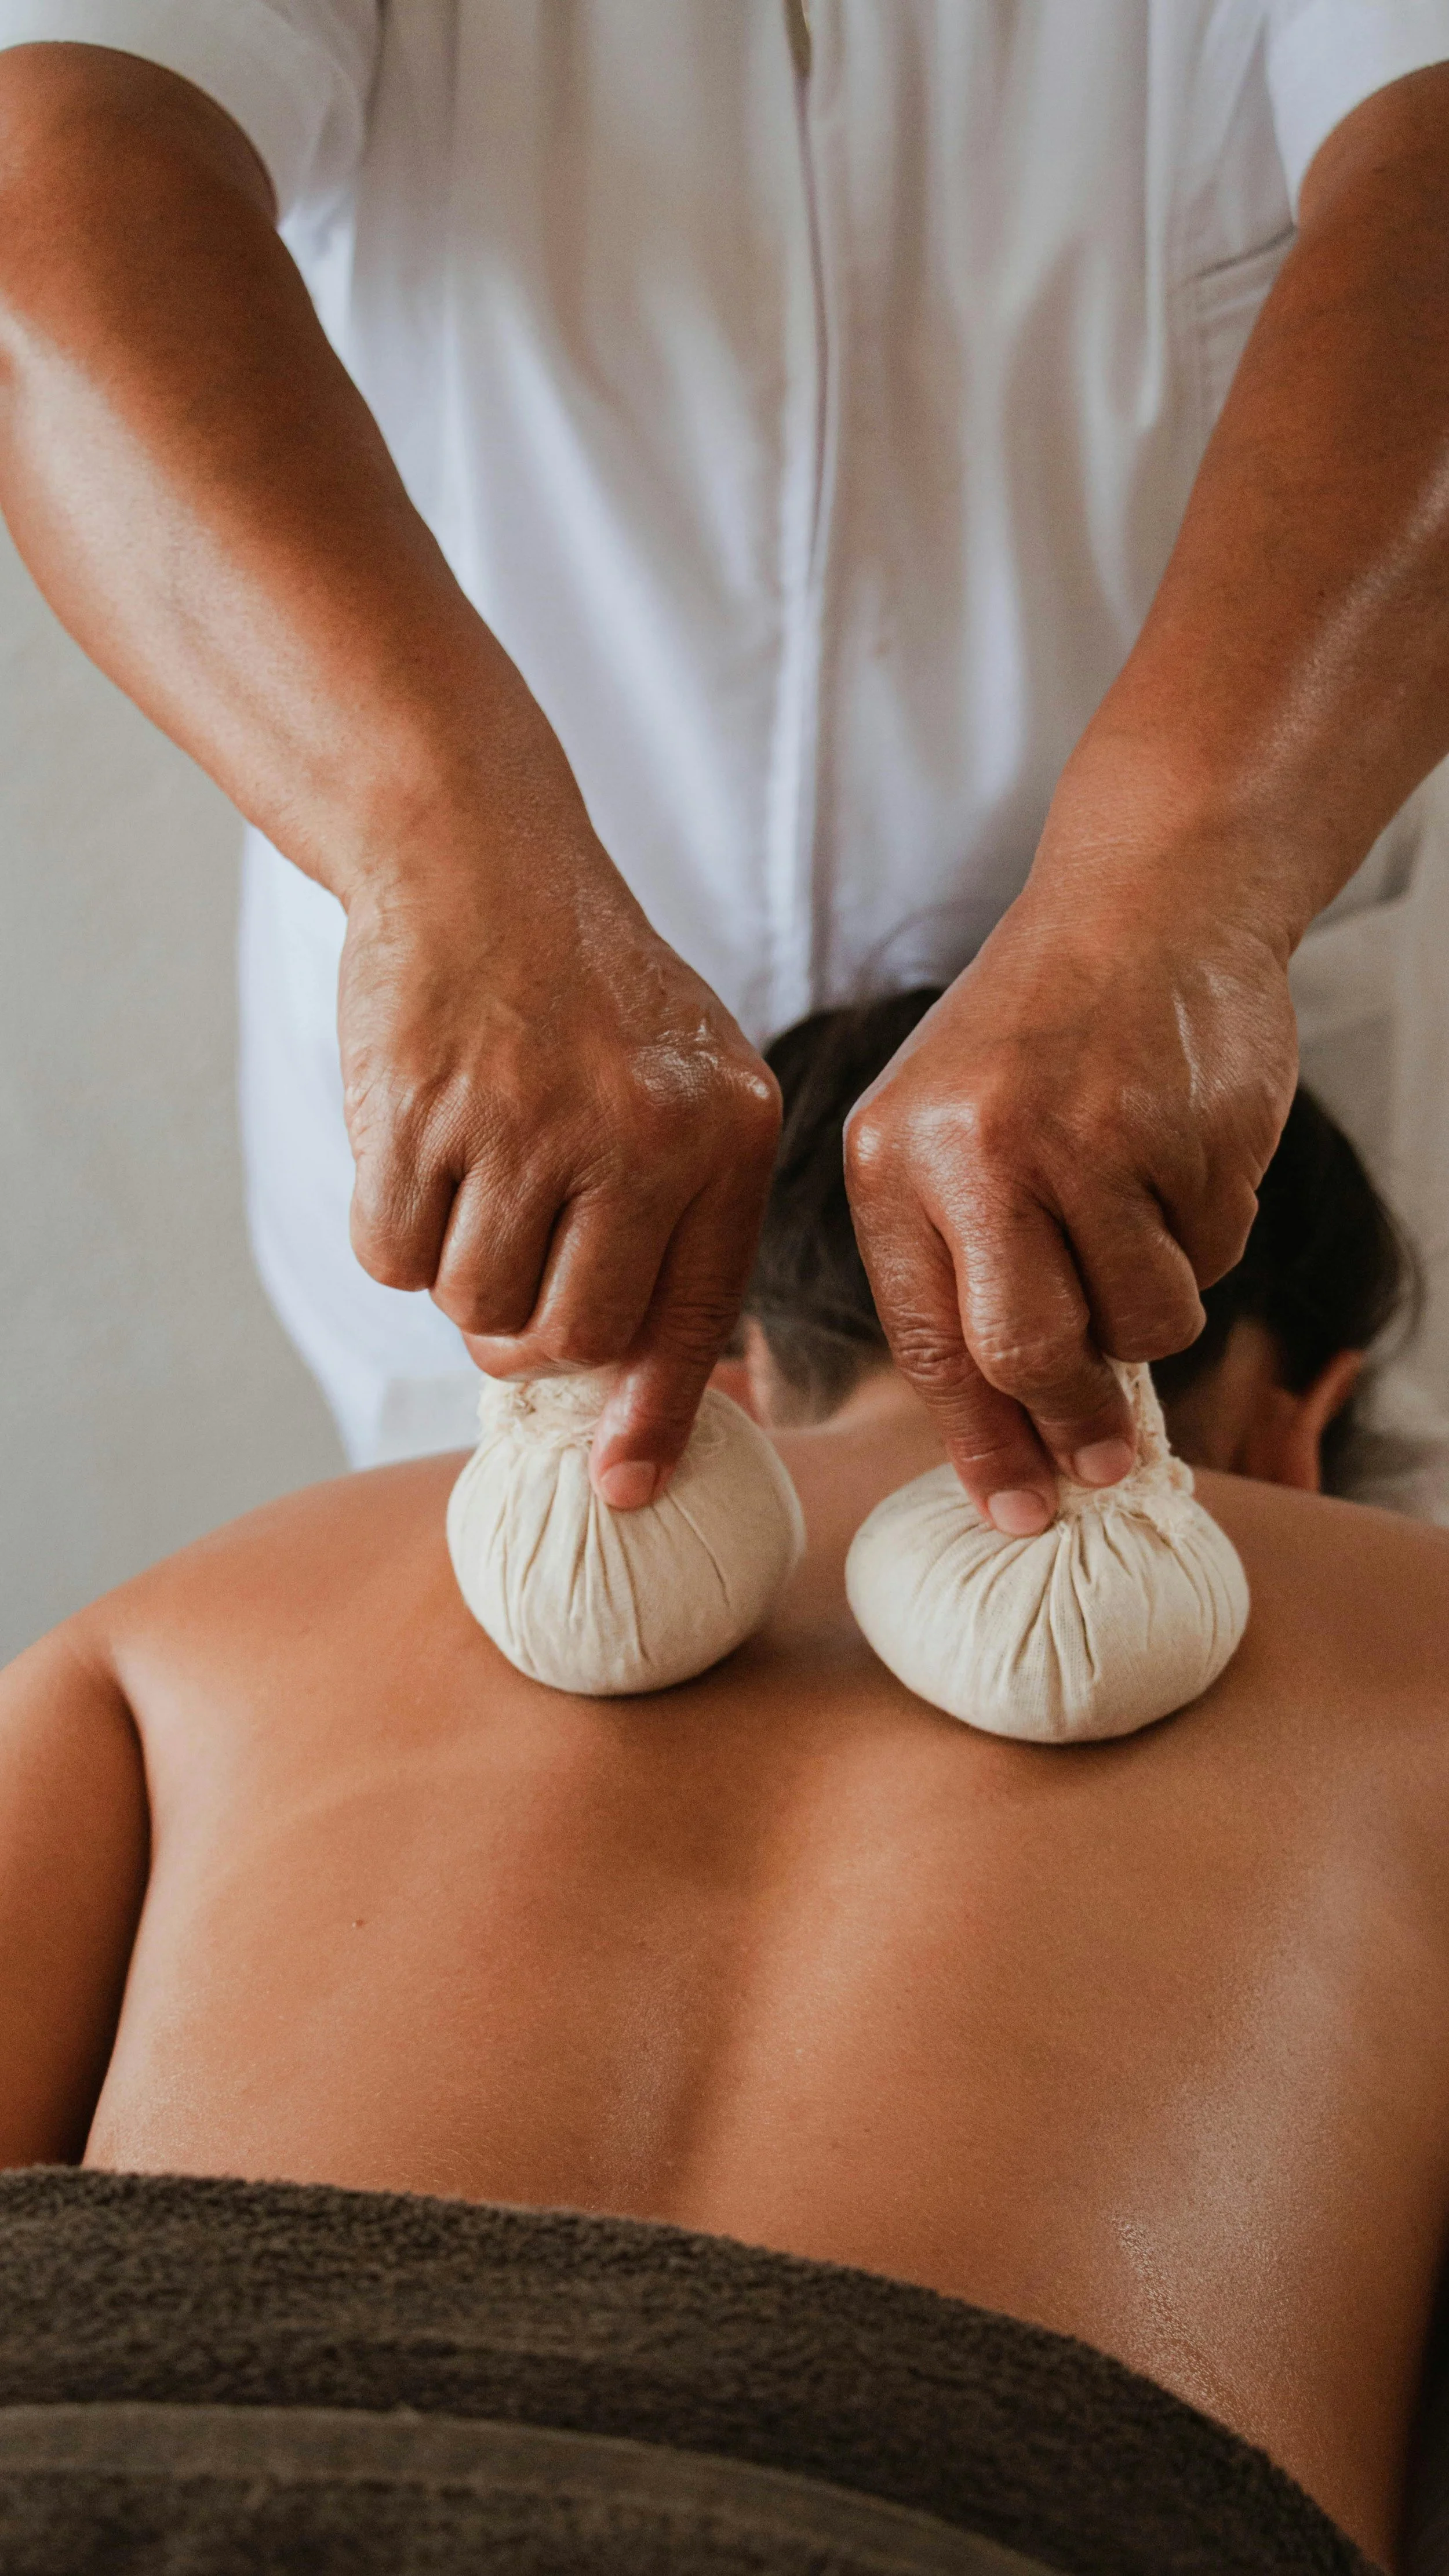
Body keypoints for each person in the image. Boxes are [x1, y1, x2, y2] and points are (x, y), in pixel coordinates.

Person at [1, 998, 1444, 2569]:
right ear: (1296, 1417)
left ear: (728, 1359)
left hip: (109, 2461)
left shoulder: (221, 1597)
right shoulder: (1409, 1634)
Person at [3, 9, 1449, 1536]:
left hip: (1220, 1098)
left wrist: (1170, 895)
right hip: (517, 1089)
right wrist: (433, 856)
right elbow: (60, 188)